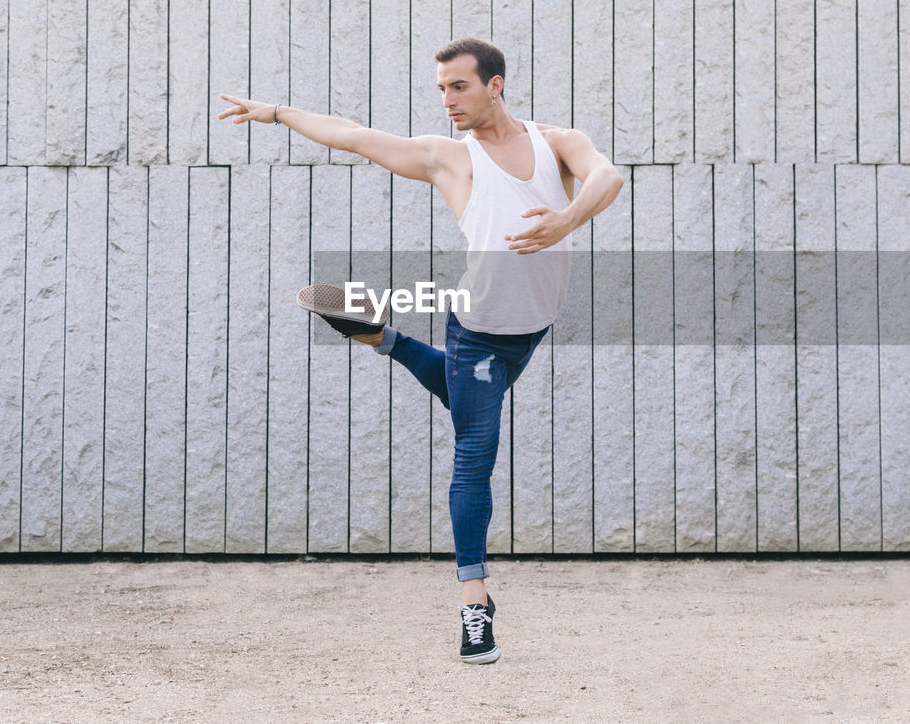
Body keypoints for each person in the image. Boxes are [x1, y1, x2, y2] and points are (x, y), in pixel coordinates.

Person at [216, 37, 623, 664]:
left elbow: (608, 175)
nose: (446, 100)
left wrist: (566, 220)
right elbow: (353, 135)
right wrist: (276, 113)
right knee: (473, 451)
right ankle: (474, 603)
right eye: (440, 88)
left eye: (458, 86)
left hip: (531, 328)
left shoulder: (557, 142)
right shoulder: (448, 159)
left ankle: (381, 335)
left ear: (495, 85)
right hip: (481, 329)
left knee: (464, 397)